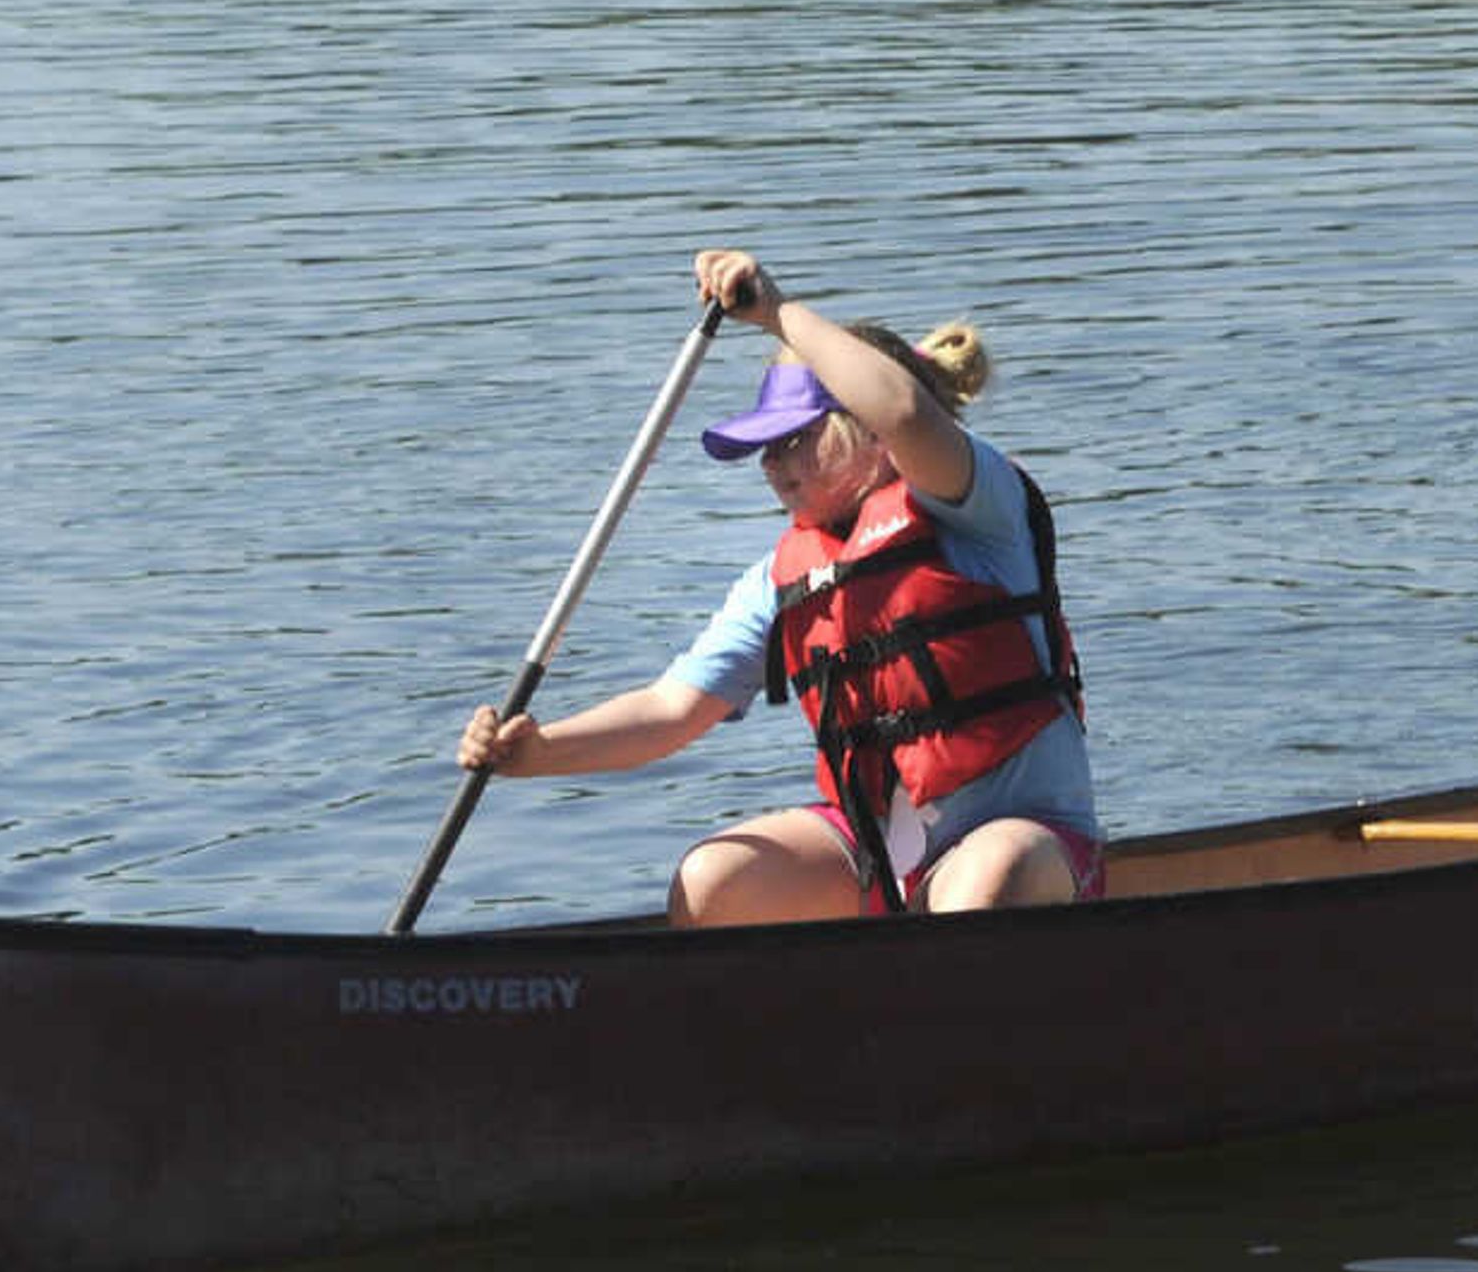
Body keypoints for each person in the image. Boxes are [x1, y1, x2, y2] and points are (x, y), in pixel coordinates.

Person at [459, 249, 1104, 925]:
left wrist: (775, 314)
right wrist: (533, 753)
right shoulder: (781, 581)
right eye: (766, 448)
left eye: (795, 438)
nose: (774, 464)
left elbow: (909, 413)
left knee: (986, 874)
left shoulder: (978, 511)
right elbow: (669, 712)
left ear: (870, 433)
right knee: (714, 879)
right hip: (877, 855)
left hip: (1031, 849)